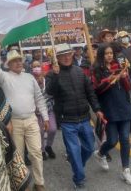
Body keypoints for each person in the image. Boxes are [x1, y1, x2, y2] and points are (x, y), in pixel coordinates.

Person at [45, 43, 104, 189]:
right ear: (56, 58)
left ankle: (77, 165)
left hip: (84, 117)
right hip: (67, 120)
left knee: (90, 148)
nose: (66, 57)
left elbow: (90, 92)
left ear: (72, 54)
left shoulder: (79, 71)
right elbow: (50, 92)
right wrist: (56, 75)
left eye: (68, 54)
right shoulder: (52, 74)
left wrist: (97, 109)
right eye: (62, 55)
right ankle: (79, 178)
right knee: (74, 150)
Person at [0, 44, 48, 191]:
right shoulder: (4, 77)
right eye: (14, 61)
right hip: (13, 122)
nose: (18, 62)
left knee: (36, 152)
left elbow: (39, 98)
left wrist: (46, 117)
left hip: (31, 119)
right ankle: (21, 184)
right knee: (18, 156)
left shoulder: (29, 77)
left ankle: (39, 182)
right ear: (8, 64)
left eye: (19, 60)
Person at [92, 44, 131, 185]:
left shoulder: (119, 67)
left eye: (111, 53)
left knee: (124, 139)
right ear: (101, 55)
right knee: (112, 140)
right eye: (106, 53)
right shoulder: (96, 71)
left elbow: (128, 88)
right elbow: (96, 90)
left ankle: (126, 171)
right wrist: (111, 79)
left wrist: (124, 78)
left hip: (123, 107)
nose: (109, 56)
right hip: (109, 109)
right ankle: (100, 153)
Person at [31, 61, 57, 160]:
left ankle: (48, 146)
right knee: (40, 132)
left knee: (53, 129)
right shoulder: (30, 80)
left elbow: (51, 92)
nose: (36, 68)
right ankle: (42, 150)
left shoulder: (47, 80)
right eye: (34, 66)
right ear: (31, 68)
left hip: (48, 109)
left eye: (38, 66)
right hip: (36, 112)